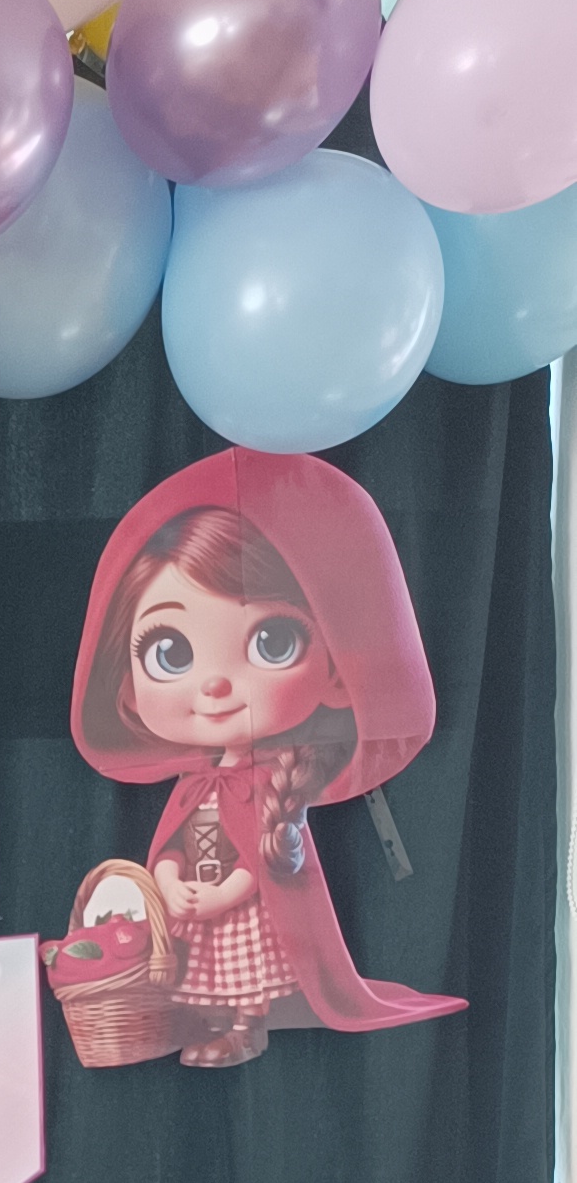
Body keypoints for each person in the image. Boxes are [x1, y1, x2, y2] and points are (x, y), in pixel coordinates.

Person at [70, 446, 463, 1073]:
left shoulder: (272, 782)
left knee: (245, 974)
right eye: (169, 651)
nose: (215, 685)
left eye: (273, 641)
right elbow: (174, 843)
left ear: (335, 672)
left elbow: (269, 855)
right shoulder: (196, 782)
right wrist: (168, 878)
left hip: (236, 907)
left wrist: (222, 893)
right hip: (199, 901)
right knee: (207, 974)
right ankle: (216, 1021)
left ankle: (244, 1027)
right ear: (128, 687)